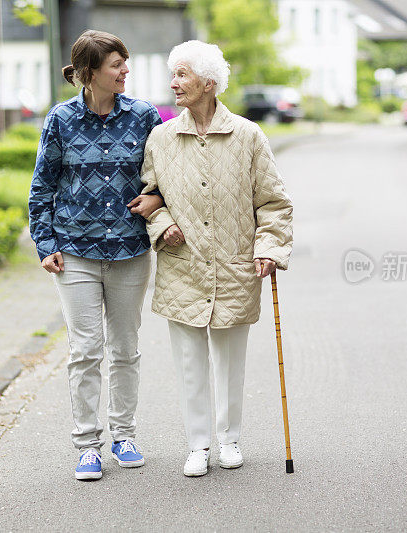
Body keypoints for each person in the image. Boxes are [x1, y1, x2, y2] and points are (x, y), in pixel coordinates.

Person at [139, 41, 293, 477]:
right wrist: (161, 224)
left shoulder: (247, 136)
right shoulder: (162, 138)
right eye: (173, 74)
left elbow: (274, 202)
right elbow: (149, 197)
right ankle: (197, 444)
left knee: (229, 360)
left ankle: (229, 439)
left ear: (209, 83)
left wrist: (269, 249)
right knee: (189, 362)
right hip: (182, 264)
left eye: (182, 74)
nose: (174, 83)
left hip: (234, 265)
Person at [28, 30, 164, 481]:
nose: (126, 70)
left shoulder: (144, 115)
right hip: (75, 253)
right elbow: (42, 185)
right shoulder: (61, 119)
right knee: (86, 350)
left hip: (129, 250)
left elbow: (167, 172)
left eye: (125, 62)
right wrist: (45, 243)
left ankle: (123, 434)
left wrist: (158, 198)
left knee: (125, 348)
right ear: (89, 73)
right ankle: (87, 445)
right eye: (116, 65)